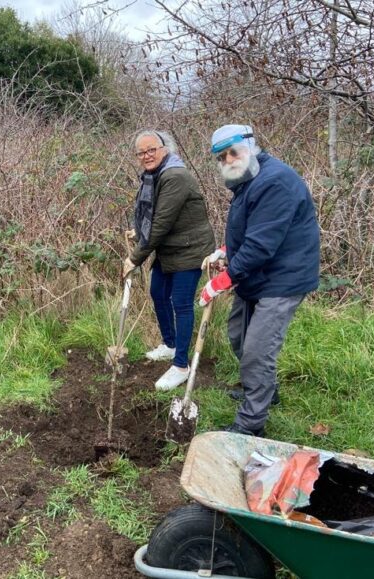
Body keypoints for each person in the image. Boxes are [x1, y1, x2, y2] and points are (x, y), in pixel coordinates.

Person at [199, 124, 320, 437]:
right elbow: (252, 231)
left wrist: (222, 280)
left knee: (256, 350)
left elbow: (260, 245)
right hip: (258, 274)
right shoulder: (248, 180)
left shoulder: (275, 181)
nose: (229, 160)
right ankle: (266, 389)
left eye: (233, 152)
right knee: (238, 335)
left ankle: (250, 425)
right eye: (222, 157)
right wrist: (226, 251)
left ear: (251, 146)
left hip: (282, 278)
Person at [124, 130, 215, 391]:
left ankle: (180, 366)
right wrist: (138, 232)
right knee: (157, 292)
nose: (146, 156)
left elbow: (161, 222)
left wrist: (135, 258)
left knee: (181, 303)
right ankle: (170, 343)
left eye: (151, 149)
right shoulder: (154, 176)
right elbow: (150, 215)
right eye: (141, 152)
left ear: (165, 149)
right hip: (170, 248)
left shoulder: (175, 176)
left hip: (190, 250)